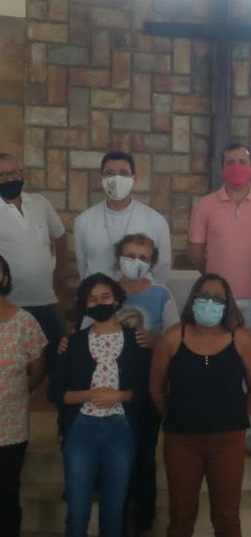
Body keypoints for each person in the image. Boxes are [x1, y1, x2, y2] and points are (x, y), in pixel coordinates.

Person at [188, 143, 251, 456]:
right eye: (230, 162)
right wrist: (217, 282)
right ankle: (215, 427)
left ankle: (249, 431)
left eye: (242, 161)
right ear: (222, 168)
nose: (236, 167)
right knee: (213, 364)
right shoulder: (205, 205)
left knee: (249, 366)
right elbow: (195, 251)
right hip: (214, 302)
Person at [149, 273, 251, 537]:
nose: (210, 302)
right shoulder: (173, 338)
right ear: (193, 300)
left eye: (217, 298)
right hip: (182, 441)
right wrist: (175, 415)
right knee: (180, 516)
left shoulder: (241, 339)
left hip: (228, 441)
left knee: (227, 517)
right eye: (204, 296)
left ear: (227, 304)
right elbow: (156, 387)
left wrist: (235, 419)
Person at [51, 273, 150, 537]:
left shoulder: (136, 340)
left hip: (121, 428)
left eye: (105, 296)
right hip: (80, 428)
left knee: (114, 511)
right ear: (85, 305)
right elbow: (56, 393)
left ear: (116, 299)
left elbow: (146, 390)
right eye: (92, 299)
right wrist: (89, 395)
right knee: (77, 512)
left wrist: (120, 396)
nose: (99, 303)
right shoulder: (72, 343)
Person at [115, 233, 180, 537]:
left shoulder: (161, 295)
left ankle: (143, 516)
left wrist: (155, 343)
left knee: (143, 452)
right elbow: (85, 331)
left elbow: (176, 338)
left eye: (143, 257)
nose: (135, 262)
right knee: (116, 452)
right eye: (130, 255)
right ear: (119, 257)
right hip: (111, 385)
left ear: (151, 262)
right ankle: (116, 513)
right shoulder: (107, 290)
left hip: (147, 385)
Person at [0, 152, 68, 378]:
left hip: (46, 299)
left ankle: (55, 395)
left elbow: (60, 235)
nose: (9, 178)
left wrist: (60, 272)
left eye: (13, 172)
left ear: (21, 173)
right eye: (2, 175)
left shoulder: (40, 203)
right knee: (17, 365)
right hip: (11, 305)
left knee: (60, 356)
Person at [0, 254, 47, 537]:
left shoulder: (24, 322)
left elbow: (38, 368)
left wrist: (17, 393)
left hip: (11, 427)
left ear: (5, 277)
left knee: (6, 492)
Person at [74, 151, 172, 284]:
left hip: (140, 295)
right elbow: (82, 265)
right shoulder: (83, 221)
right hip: (98, 293)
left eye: (123, 173)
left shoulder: (156, 221)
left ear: (134, 178)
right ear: (102, 178)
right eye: (110, 173)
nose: (116, 179)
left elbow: (162, 268)